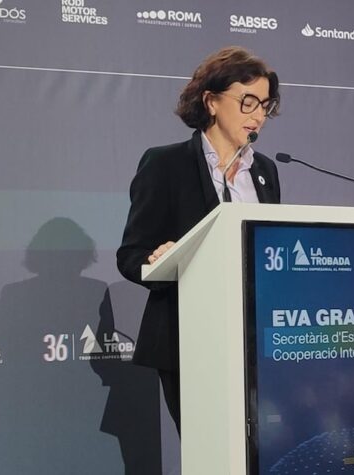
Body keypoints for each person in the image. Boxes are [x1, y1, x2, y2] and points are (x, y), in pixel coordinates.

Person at [116, 46, 281, 433]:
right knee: (211, 447)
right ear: (211, 101)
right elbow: (131, 255)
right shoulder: (166, 164)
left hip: (256, 342)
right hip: (188, 341)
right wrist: (160, 260)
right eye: (248, 101)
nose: (258, 114)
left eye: (265, 105)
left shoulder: (265, 171)